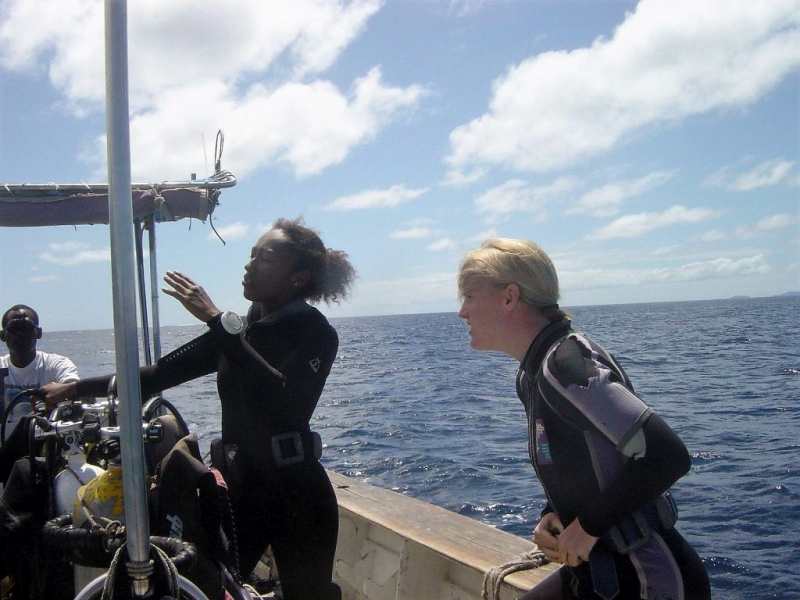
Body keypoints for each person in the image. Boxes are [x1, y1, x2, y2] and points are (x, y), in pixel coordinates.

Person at [43, 217, 355, 600]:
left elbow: (280, 398)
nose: (249, 264)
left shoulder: (316, 333)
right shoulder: (241, 330)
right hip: (241, 489)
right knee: (202, 586)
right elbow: (160, 374)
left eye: (265, 258)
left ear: (297, 278)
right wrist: (75, 388)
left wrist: (216, 321)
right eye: (251, 254)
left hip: (298, 495)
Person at [457, 238, 710, 600]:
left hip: (649, 578)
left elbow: (666, 455)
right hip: (598, 573)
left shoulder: (566, 365)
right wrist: (554, 515)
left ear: (509, 297)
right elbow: (582, 465)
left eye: (468, 296)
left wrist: (589, 526)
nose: (461, 312)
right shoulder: (533, 376)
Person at [1, 305, 79, 439]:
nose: (21, 335)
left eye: (26, 328)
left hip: (47, 447)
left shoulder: (56, 364)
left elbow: (74, 386)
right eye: (14, 329)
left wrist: (63, 390)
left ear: (38, 333)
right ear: (2, 336)